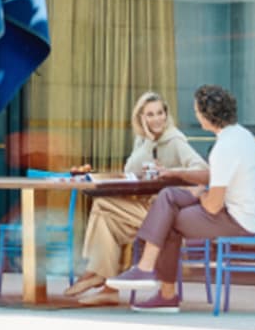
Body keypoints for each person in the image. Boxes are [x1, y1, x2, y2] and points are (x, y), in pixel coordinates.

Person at [107, 84, 255, 312]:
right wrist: (176, 173)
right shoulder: (240, 135)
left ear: (208, 116)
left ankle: (161, 287)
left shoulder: (224, 147)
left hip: (237, 219)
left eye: (198, 112)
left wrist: (199, 193)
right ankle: (148, 271)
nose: (196, 116)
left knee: (168, 220)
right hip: (243, 211)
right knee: (168, 195)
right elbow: (214, 175)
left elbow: (212, 206)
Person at [65, 91, 204, 299]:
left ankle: (97, 274)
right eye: (150, 114)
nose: (157, 119)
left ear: (166, 115)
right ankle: (108, 290)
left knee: (102, 205)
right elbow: (130, 169)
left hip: (164, 216)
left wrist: (173, 173)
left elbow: (201, 169)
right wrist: (147, 141)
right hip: (146, 211)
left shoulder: (175, 140)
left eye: (160, 113)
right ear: (141, 118)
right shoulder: (143, 141)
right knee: (106, 220)